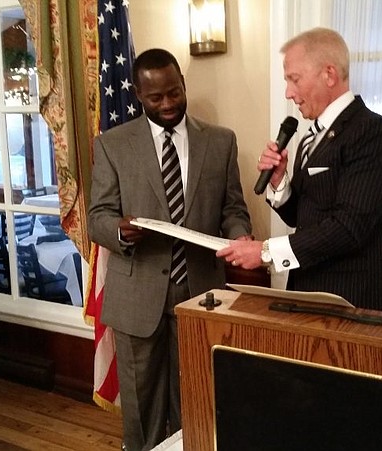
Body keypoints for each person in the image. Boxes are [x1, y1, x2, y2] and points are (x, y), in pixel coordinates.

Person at [88, 48, 252, 451]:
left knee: (196, 400)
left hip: (202, 293)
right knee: (141, 410)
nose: (167, 104)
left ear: (183, 85)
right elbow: (97, 217)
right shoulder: (112, 144)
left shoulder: (220, 141)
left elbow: (233, 208)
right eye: (155, 98)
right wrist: (121, 232)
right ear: (139, 96)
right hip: (136, 295)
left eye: (174, 93)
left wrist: (241, 236)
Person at [217, 27, 382, 312]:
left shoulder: (374, 133)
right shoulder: (308, 138)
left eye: (294, 79)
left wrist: (267, 252)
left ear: (329, 74)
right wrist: (280, 182)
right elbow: (301, 217)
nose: (289, 93)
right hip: (304, 296)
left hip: (351, 304)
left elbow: (349, 228)